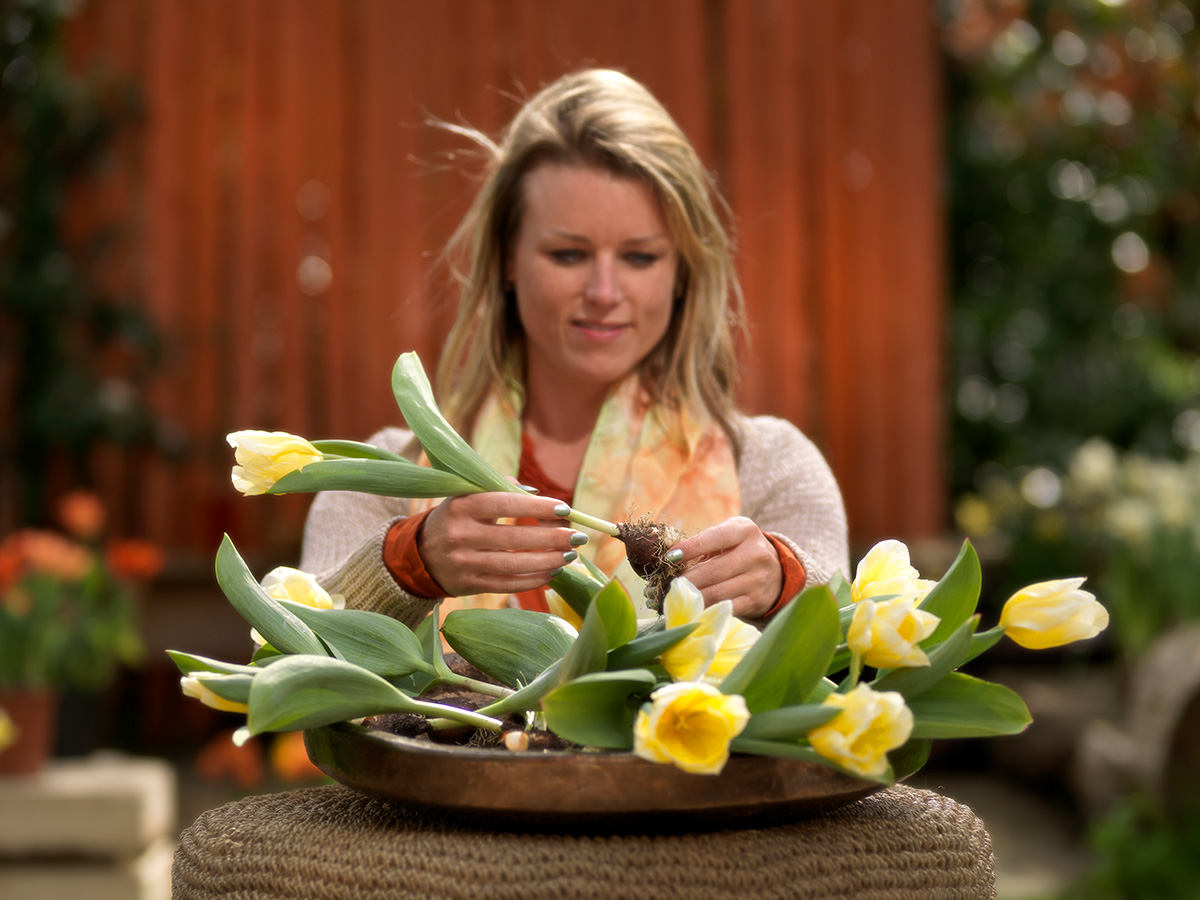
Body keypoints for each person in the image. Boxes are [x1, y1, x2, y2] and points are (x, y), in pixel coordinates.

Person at [299, 68, 848, 630]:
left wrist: (787, 583)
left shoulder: (773, 468)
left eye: (640, 258)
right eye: (568, 255)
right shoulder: (380, 480)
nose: (604, 294)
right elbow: (292, 655)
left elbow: (849, 646)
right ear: (507, 260)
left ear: (682, 272)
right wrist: (406, 566)